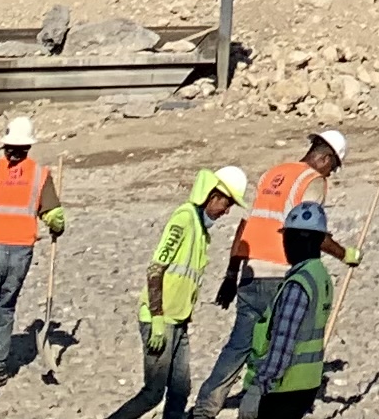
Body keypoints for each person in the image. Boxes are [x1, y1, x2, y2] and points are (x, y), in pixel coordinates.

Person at [195, 135, 355, 417]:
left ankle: (205, 408)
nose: (332, 173)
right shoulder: (312, 181)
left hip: (251, 270)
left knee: (239, 345)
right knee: (275, 346)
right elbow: (308, 230)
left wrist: (231, 273)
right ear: (325, 158)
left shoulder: (274, 173)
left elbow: (248, 223)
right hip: (281, 273)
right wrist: (345, 254)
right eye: (334, 167)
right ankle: (257, 405)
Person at [128, 167, 248, 419]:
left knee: (181, 390)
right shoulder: (183, 219)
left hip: (178, 321)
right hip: (160, 320)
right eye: (226, 204)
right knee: (153, 392)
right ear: (212, 195)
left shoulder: (201, 231)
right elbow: (155, 269)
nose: (226, 212)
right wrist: (157, 318)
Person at [208, 201, 339, 419]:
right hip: (308, 383)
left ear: (298, 239)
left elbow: (283, 342)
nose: (285, 245)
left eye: (286, 238)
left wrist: (259, 387)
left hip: (283, 387)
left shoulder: (299, 283)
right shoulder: (321, 276)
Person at [0, 117, 69, 384]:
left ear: (5, 144)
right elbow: (54, 215)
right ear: (28, 146)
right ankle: (0, 366)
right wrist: (57, 226)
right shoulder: (39, 174)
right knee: (5, 308)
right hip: (21, 252)